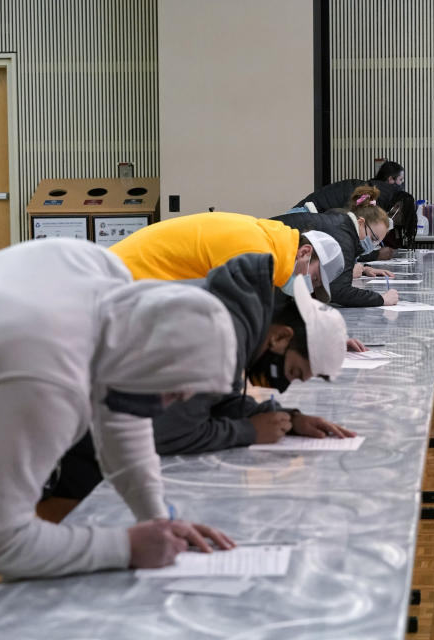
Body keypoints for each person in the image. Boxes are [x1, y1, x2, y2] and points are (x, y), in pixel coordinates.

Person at [0, 239, 240, 639]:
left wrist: (157, 521)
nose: (172, 405)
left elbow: (125, 408)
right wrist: (125, 547)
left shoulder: (103, 279)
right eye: (172, 392)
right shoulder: (42, 376)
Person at [47, 256, 350, 503]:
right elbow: (169, 434)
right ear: (282, 337)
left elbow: (214, 400)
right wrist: (247, 431)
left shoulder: (239, 317)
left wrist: (285, 418)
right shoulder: (219, 335)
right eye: (294, 372)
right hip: (67, 440)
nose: (283, 385)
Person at [110, 211, 344, 304]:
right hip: (119, 283)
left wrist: (322, 339)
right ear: (304, 253)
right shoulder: (256, 252)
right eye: (313, 280)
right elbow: (237, 321)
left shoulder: (267, 240)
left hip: (135, 283)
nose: (309, 289)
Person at [276, 185, 400, 307]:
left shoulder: (342, 222)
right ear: (361, 223)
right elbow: (339, 291)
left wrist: (365, 268)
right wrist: (382, 299)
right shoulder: (343, 235)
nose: (373, 245)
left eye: (377, 243)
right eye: (373, 238)